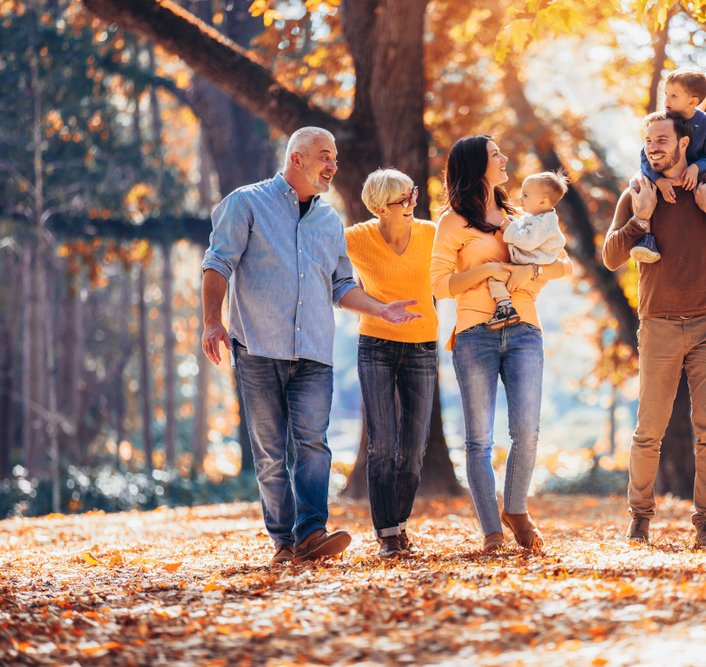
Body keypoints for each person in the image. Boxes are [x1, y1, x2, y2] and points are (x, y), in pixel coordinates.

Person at [201, 127, 421, 566]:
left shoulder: (328, 220)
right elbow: (217, 263)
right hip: (259, 347)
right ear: (296, 159)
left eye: (335, 158)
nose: (333, 166)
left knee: (313, 444)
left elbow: (341, 285)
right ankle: (283, 541)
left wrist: (382, 310)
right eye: (325, 157)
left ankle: (311, 534)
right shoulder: (246, 203)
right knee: (270, 453)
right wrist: (211, 322)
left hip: (314, 352)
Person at [603, 110, 706, 549]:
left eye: (662, 139)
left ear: (683, 144)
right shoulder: (637, 192)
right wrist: (640, 219)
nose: (653, 147)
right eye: (648, 140)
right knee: (648, 430)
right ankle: (639, 520)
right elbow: (611, 257)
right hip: (657, 326)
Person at [430, 135, 574, 552]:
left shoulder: (522, 214)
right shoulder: (453, 222)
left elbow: (561, 263)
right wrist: (487, 270)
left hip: (525, 329)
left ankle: (516, 509)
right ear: (477, 166)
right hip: (475, 333)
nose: (505, 158)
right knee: (478, 439)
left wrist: (527, 277)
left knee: (526, 432)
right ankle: (493, 531)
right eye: (496, 155)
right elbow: (440, 285)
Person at [345, 169, 439, 559]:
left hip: (422, 345)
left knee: (414, 451)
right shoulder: (356, 238)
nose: (413, 203)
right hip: (376, 345)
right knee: (381, 444)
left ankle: (397, 525)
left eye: (413, 194)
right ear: (381, 207)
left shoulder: (432, 234)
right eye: (404, 199)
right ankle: (387, 536)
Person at [630, 67, 706, 264]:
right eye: (665, 94)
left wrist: (696, 168)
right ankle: (645, 238)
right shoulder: (663, 120)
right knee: (636, 182)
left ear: (692, 101)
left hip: (695, 174)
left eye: (674, 96)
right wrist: (659, 180)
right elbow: (644, 156)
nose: (666, 100)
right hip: (665, 171)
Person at [485, 171, 569, 329]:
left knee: (495, 279)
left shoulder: (543, 223)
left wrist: (509, 229)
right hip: (530, 270)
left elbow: (526, 241)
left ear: (542, 201)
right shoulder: (538, 217)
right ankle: (508, 308)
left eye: (525, 195)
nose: (520, 198)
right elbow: (525, 228)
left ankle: (505, 309)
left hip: (531, 273)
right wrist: (513, 222)